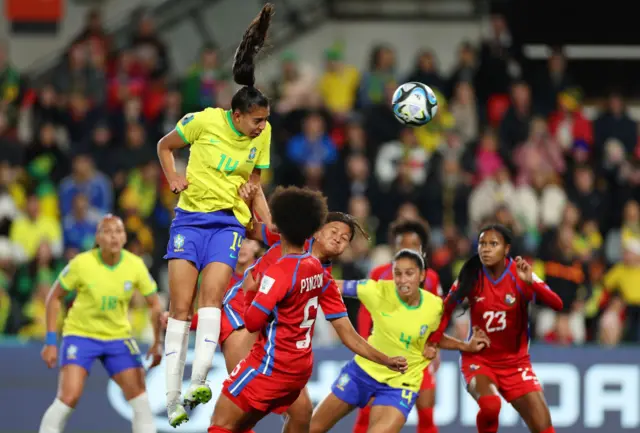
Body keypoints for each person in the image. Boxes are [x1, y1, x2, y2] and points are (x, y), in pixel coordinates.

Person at [157, 4, 275, 425]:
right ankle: (172, 400)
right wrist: (173, 177)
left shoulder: (262, 136)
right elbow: (164, 146)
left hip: (227, 222)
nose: (262, 128)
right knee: (180, 309)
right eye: (256, 121)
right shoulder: (203, 122)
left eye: (265, 121)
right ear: (237, 115)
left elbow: (256, 187)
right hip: (188, 220)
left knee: (211, 301)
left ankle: (198, 382)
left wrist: (266, 221)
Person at [208, 186, 407, 433]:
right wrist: (246, 198)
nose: (338, 238)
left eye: (345, 239)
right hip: (241, 315)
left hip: (271, 331)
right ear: (318, 230)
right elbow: (250, 228)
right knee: (239, 412)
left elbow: (346, 332)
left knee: (302, 414)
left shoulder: (323, 276)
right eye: (334, 231)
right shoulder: (293, 236)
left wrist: (384, 359)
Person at [309, 249, 490, 433]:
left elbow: (433, 336)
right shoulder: (379, 290)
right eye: (398, 273)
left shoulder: (434, 306)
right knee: (310, 428)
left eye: (409, 273)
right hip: (362, 373)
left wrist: (464, 345)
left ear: (422, 276)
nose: (402, 280)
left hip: (400, 385)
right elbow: (333, 285)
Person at [427, 224, 564, 433]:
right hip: (480, 359)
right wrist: (434, 343)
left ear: (506, 249)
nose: (486, 249)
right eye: (482, 243)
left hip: (516, 364)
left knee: (544, 428)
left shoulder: (520, 274)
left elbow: (557, 304)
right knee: (491, 406)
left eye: (493, 244)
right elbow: (445, 311)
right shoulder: (471, 275)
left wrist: (532, 283)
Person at [38, 215, 163, 433]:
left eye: (118, 231)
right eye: (107, 231)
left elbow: (155, 304)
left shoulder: (135, 265)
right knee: (69, 398)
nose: (114, 236)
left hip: (118, 337)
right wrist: (50, 341)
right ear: (98, 237)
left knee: (141, 400)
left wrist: (156, 342)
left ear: (125, 237)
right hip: (81, 334)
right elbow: (54, 298)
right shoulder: (81, 263)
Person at [355, 219, 442, 433]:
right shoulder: (380, 274)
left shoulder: (430, 278)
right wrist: (365, 343)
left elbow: (439, 317)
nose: (408, 250)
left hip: (416, 356)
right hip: (383, 352)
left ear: (422, 249)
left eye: (414, 246)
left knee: (426, 411)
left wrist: (435, 346)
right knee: (367, 411)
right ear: (395, 248)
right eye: (403, 245)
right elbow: (365, 310)